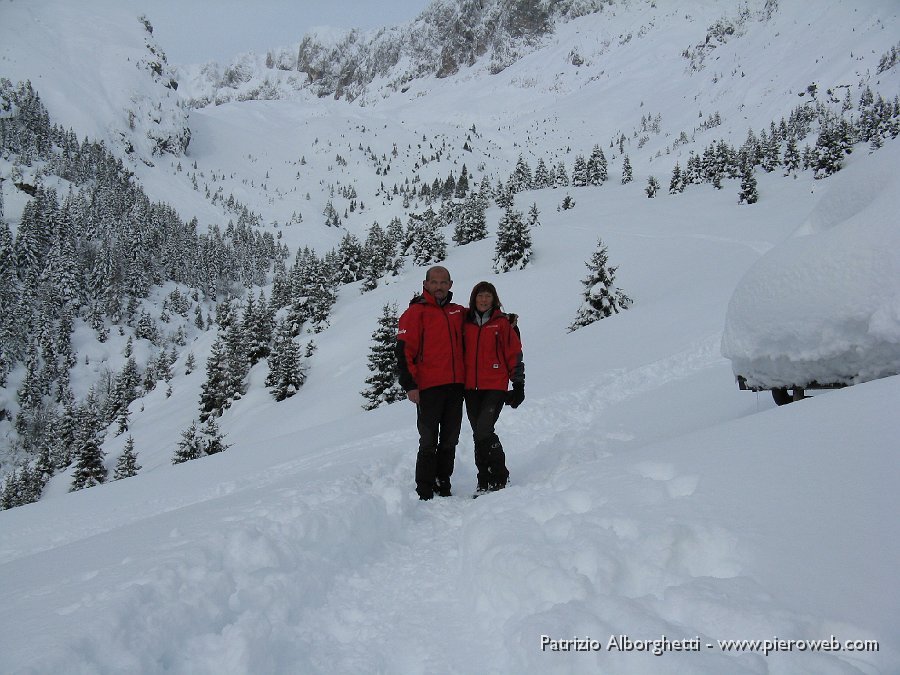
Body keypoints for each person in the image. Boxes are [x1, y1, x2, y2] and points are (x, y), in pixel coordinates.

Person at [395, 265, 466, 500]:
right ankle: (424, 487)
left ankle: (442, 481)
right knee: (428, 440)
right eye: (434, 282)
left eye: (443, 282)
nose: (439, 287)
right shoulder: (416, 312)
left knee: (450, 439)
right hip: (428, 387)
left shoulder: (457, 312)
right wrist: (410, 385)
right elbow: (404, 350)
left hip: (455, 386)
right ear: (425, 284)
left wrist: (506, 319)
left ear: (450, 285)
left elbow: (481, 321)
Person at [462, 281, 524, 495]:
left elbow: (514, 353)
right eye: (480, 296)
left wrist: (518, 384)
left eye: (488, 296)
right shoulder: (465, 322)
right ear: (474, 299)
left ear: (494, 299)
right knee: (478, 434)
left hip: (495, 385)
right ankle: (484, 479)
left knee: (483, 430)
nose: (483, 300)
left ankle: (499, 475)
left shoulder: (502, 324)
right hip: (470, 387)